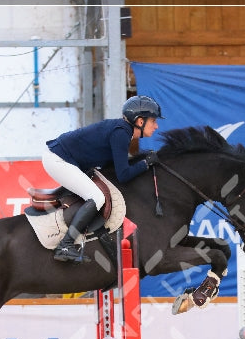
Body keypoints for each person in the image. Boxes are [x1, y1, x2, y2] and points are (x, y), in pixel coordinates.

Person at [42, 95, 163, 262]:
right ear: (140, 121)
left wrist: (144, 162)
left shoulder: (123, 131)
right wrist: (145, 163)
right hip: (58, 160)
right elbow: (123, 175)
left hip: (62, 158)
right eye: (153, 121)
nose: (156, 126)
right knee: (96, 197)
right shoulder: (121, 133)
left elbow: (115, 167)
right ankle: (65, 245)